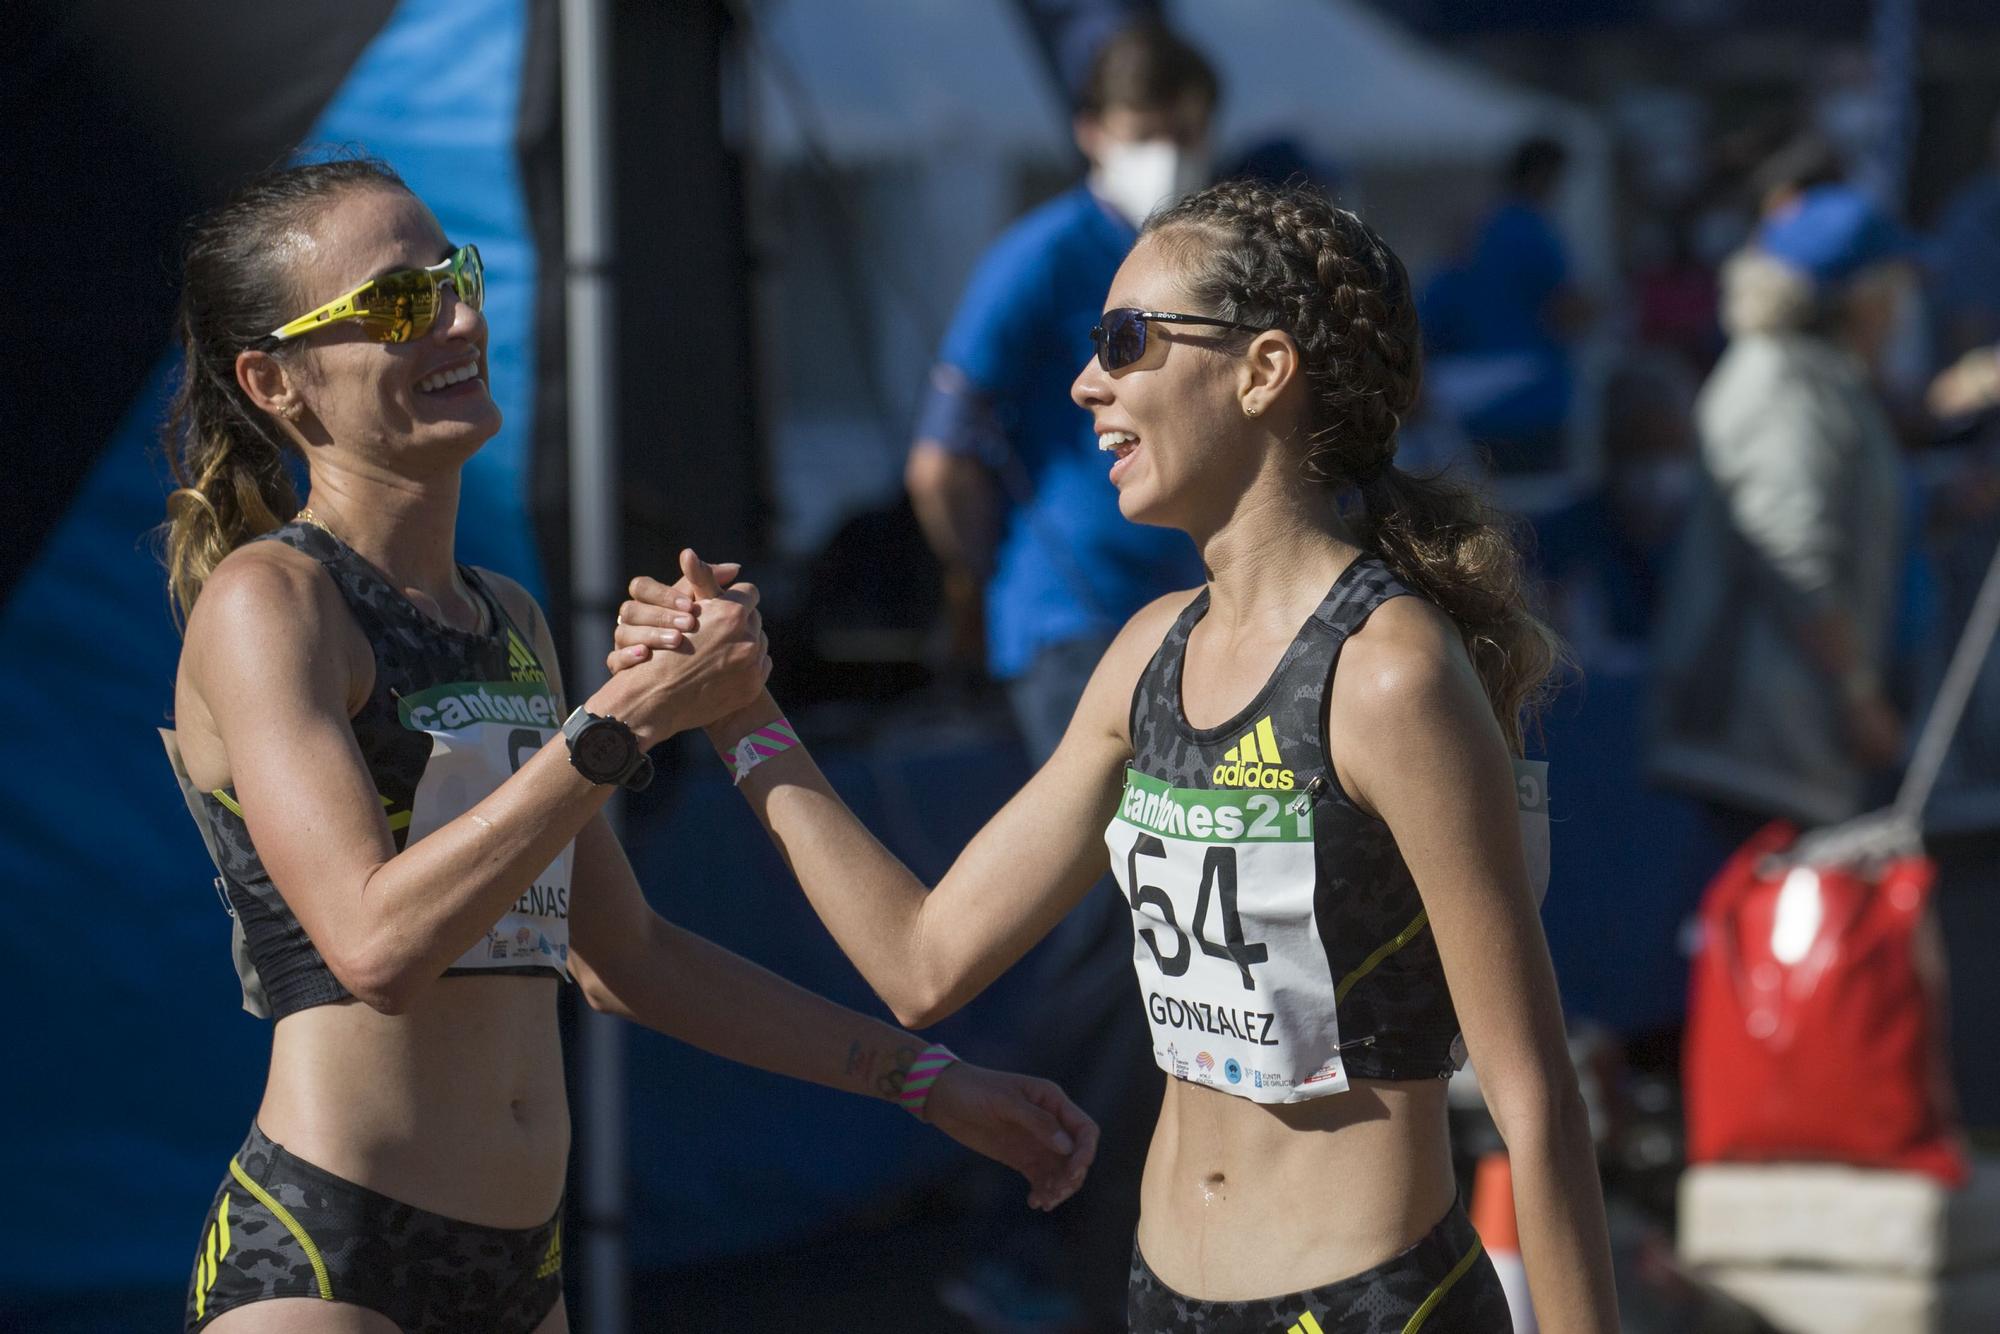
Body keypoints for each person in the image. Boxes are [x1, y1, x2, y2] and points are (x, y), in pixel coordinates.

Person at [619, 179, 1619, 1332]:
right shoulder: (1146, 652)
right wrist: (743, 716)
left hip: (1363, 1300)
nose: (1086, 380)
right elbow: (922, 960)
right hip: (1161, 1292)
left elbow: (1533, 1097)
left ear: (1262, 371)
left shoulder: (1388, 670)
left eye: (1126, 339)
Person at [157, 157, 1096, 1334]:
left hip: (517, 1265)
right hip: (331, 1253)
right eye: (400, 304)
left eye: (457, 275)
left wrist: (923, 1080)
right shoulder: (271, 600)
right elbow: (373, 943)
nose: (459, 317)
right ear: (277, 382)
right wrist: (624, 720)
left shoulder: (505, 612)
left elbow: (628, 955)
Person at [902, 20, 1218, 1324]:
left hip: (1195, 628)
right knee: (1109, 928)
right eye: (1143, 121)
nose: (1166, 146)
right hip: (1078, 631)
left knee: (1168, 929)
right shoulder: (1041, 256)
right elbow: (941, 458)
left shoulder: (1209, 254)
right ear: (1089, 130)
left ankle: (1103, 1228)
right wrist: (984, 596)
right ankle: (1022, 1236)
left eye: (1182, 118)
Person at [1649, 184, 1913, 840]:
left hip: (1784, 736)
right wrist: (1857, 696)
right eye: (1895, 286)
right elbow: (1789, 550)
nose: (1904, 307)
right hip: (1760, 736)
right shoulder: (1782, 383)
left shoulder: (1816, 379)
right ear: (1858, 294)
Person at [1420, 135, 1592, 475]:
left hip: (1470, 419)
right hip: (1532, 409)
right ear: (1541, 175)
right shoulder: (1534, 230)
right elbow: (1571, 311)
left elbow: (1427, 319)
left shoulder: (1475, 232)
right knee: (1535, 517)